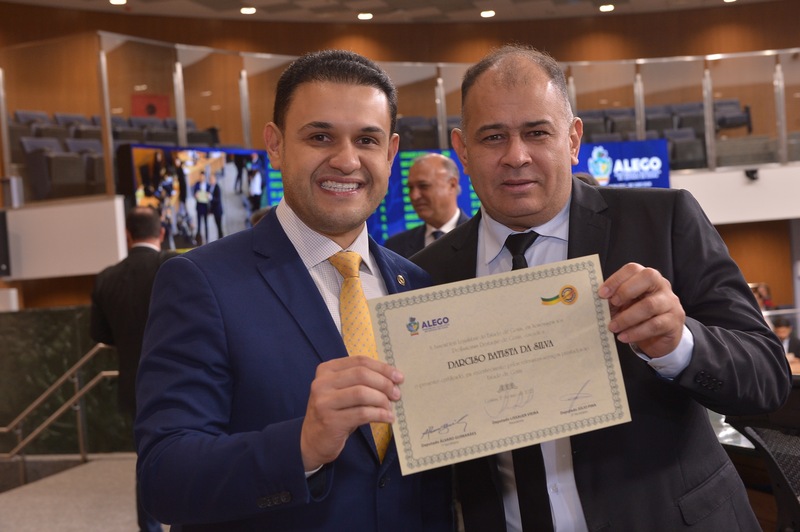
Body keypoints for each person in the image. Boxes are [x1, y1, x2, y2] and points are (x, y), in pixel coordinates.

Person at [412, 44, 791, 532]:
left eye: (537, 132)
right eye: (493, 137)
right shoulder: (425, 276)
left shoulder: (663, 221)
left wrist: (679, 345)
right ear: (463, 150)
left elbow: (767, 380)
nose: (516, 156)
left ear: (573, 140)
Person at [134, 49, 453, 531]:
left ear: (390, 154)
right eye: (320, 136)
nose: (346, 160)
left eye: (366, 140)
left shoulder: (419, 285)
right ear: (276, 144)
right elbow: (164, 479)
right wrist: (302, 445)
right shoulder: (201, 282)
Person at [90, 205, 176, 532]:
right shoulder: (174, 266)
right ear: (162, 232)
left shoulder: (106, 278)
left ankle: (149, 527)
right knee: (198, 454)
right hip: (185, 380)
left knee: (149, 459)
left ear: (127, 235)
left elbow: (99, 334)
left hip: (135, 386)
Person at [383, 152, 470, 258]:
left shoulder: (478, 236)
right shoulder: (395, 247)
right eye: (410, 188)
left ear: (452, 185)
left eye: (423, 186)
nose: (414, 196)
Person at [192, 171, 211, 244]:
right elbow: (194, 193)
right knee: (199, 224)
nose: (201, 178)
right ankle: (199, 240)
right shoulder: (197, 184)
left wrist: (208, 196)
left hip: (205, 207)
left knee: (206, 224)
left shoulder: (208, 185)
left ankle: (207, 239)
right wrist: (195, 195)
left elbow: (210, 195)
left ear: (205, 177)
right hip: (199, 206)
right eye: (200, 176)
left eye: (202, 176)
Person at [208, 171, 223, 240]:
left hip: (218, 211)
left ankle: (221, 238)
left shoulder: (217, 187)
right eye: (210, 179)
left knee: (219, 226)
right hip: (214, 210)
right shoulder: (210, 187)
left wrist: (211, 197)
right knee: (217, 225)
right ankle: (219, 237)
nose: (211, 181)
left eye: (212, 179)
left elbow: (218, 199)